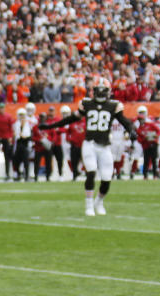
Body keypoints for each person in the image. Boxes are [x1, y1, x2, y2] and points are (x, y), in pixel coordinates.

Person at [39, 77, 135, 216]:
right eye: (99, 91)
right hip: (89, 144)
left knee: (107, 178)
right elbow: (71, 118)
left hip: (105, 146)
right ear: (94, 91)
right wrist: (50, 126)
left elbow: (125, 121)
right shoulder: (87, 104)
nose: (101, 94)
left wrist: (131, 131)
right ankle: (89, 205)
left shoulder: (113, 105)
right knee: (91, 172)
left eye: (103, 91)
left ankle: (99, 202)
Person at [12, 108, 32, 181]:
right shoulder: (16, 124)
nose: (22, 117)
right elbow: (15, 135)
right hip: (18, 144)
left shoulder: (27, 124)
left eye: (23, 115)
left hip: (25, 144)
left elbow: (27, 135)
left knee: (26, 161)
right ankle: (17, 175)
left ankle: (26, 175)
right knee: (17, 161)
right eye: (20, 115)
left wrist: (20, 134)